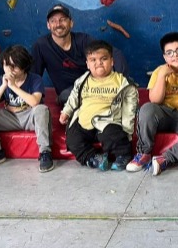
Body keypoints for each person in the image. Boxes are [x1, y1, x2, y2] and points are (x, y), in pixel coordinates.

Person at [127, 32, 178, 176]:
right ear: (165, 57)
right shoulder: (159, 71)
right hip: (163, 113)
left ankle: (166, 159)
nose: (175, 55)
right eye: (169, 53)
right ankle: (144, 153)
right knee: (146, 109)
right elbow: (155, 101)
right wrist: (162, 76)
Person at [0, 45, 53, 174]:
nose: (10, 70)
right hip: (10, 117)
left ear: (24, 66)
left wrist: (13, 87)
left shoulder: (35, 79)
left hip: (29, 117)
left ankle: (45, 152)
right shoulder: (1, 81)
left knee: (41, 109)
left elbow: (34, 102)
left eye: (14, 66)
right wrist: (3, 86)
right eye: (6, 65)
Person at [59, 40, 138, 171]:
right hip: (84, 121)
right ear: (87, 64)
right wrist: (66, 112)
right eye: (93, 60)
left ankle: (123, 155)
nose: (99, 63)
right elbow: (73, 97)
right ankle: (92, 158)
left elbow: (130, 106)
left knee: (113, 135)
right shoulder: (83, 80)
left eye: (103, 59)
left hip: (108, 121)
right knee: (72, 139)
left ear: (112, 61)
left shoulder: (122, 82)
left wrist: (128, 128)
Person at [31, 4, 128, 105]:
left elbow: (114, 53)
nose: (58, 24)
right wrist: (35, 99)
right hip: (70, 94)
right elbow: (33, 76)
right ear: (48, 25)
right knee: (66, 96)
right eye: (53, 21)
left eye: (63, 20)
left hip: (94, 86)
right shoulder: (41, 46)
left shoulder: (83, 40)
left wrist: (118, 80)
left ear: (71, 23)